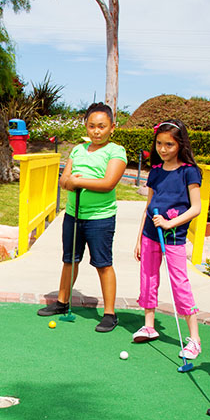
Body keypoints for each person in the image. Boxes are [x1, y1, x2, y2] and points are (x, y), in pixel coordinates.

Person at [37, 102, 127, 332]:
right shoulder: (78, 150)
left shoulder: (116, 151)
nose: (96, 131)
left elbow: (108, 183)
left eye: (102, 126)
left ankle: (109, 314)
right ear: (86, 126)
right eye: (92, 126)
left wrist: (77, 182)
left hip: (100, 217)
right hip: (73, 215)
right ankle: (62, 302)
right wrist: (71, 181)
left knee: (103, 264)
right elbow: (63, 180)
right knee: (70, 260)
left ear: (112, 127)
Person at [132, 119, 202, 362]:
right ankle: (149, 326)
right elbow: (148, 206)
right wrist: (139, 238)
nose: (163, 149)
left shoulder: (189, 171)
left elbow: (196, 208)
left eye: (169, 144)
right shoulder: (155, 171)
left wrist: (171, 223)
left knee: (179, 283)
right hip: (150, 235)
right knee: (148, 278)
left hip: (174, 237)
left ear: (180, 144)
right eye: (159, 143)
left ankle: (194, 339)